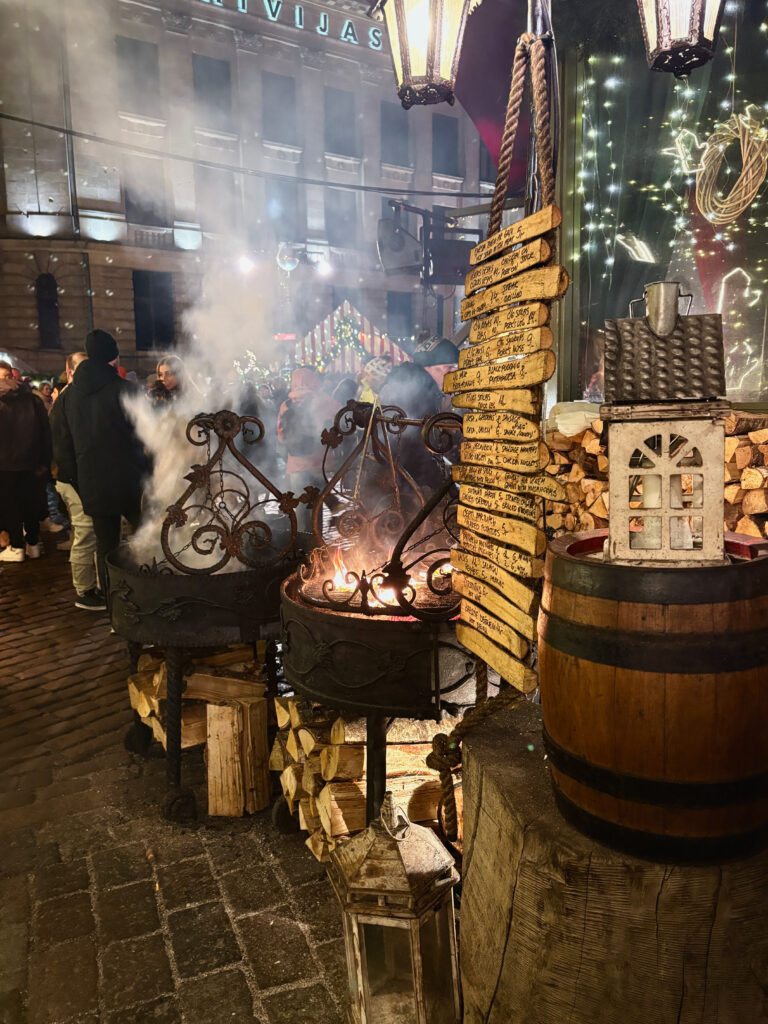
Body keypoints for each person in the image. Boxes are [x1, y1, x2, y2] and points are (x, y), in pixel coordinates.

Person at [60, 330, 149, 590]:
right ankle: (145, 594)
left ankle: (113, 605)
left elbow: (65, 440)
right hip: (129, 478)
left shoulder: (69, 395)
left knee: (106, 546)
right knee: (145, 538)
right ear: (114, 358)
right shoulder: (125, 389)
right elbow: (145, 433)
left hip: (92, 480)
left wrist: (76, 479)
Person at [49, 351, 104, 610]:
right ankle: (85, 591)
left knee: (91, 532)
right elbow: (65, 447)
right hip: (73, 479)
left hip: (80, 477)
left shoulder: (77, 397)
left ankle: (95, 587)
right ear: (69, 371)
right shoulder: (68, 399)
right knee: (85, 532)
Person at [0, 360, 52, 562]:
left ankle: (16, 546)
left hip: (4, 465)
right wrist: (44, 462)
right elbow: (45, 435)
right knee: (30, 503)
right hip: (32, 463)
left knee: (10, 506)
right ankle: (33, 543)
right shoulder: (33, 400)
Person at [276, 368, 337, 532]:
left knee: (302, 507)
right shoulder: (323, 401)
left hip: (296, 464)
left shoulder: (286, 404)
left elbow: (280, 435)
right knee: (317, 506)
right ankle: (317, 544)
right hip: (319, 462)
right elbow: (341, 419)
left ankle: (304, 544)